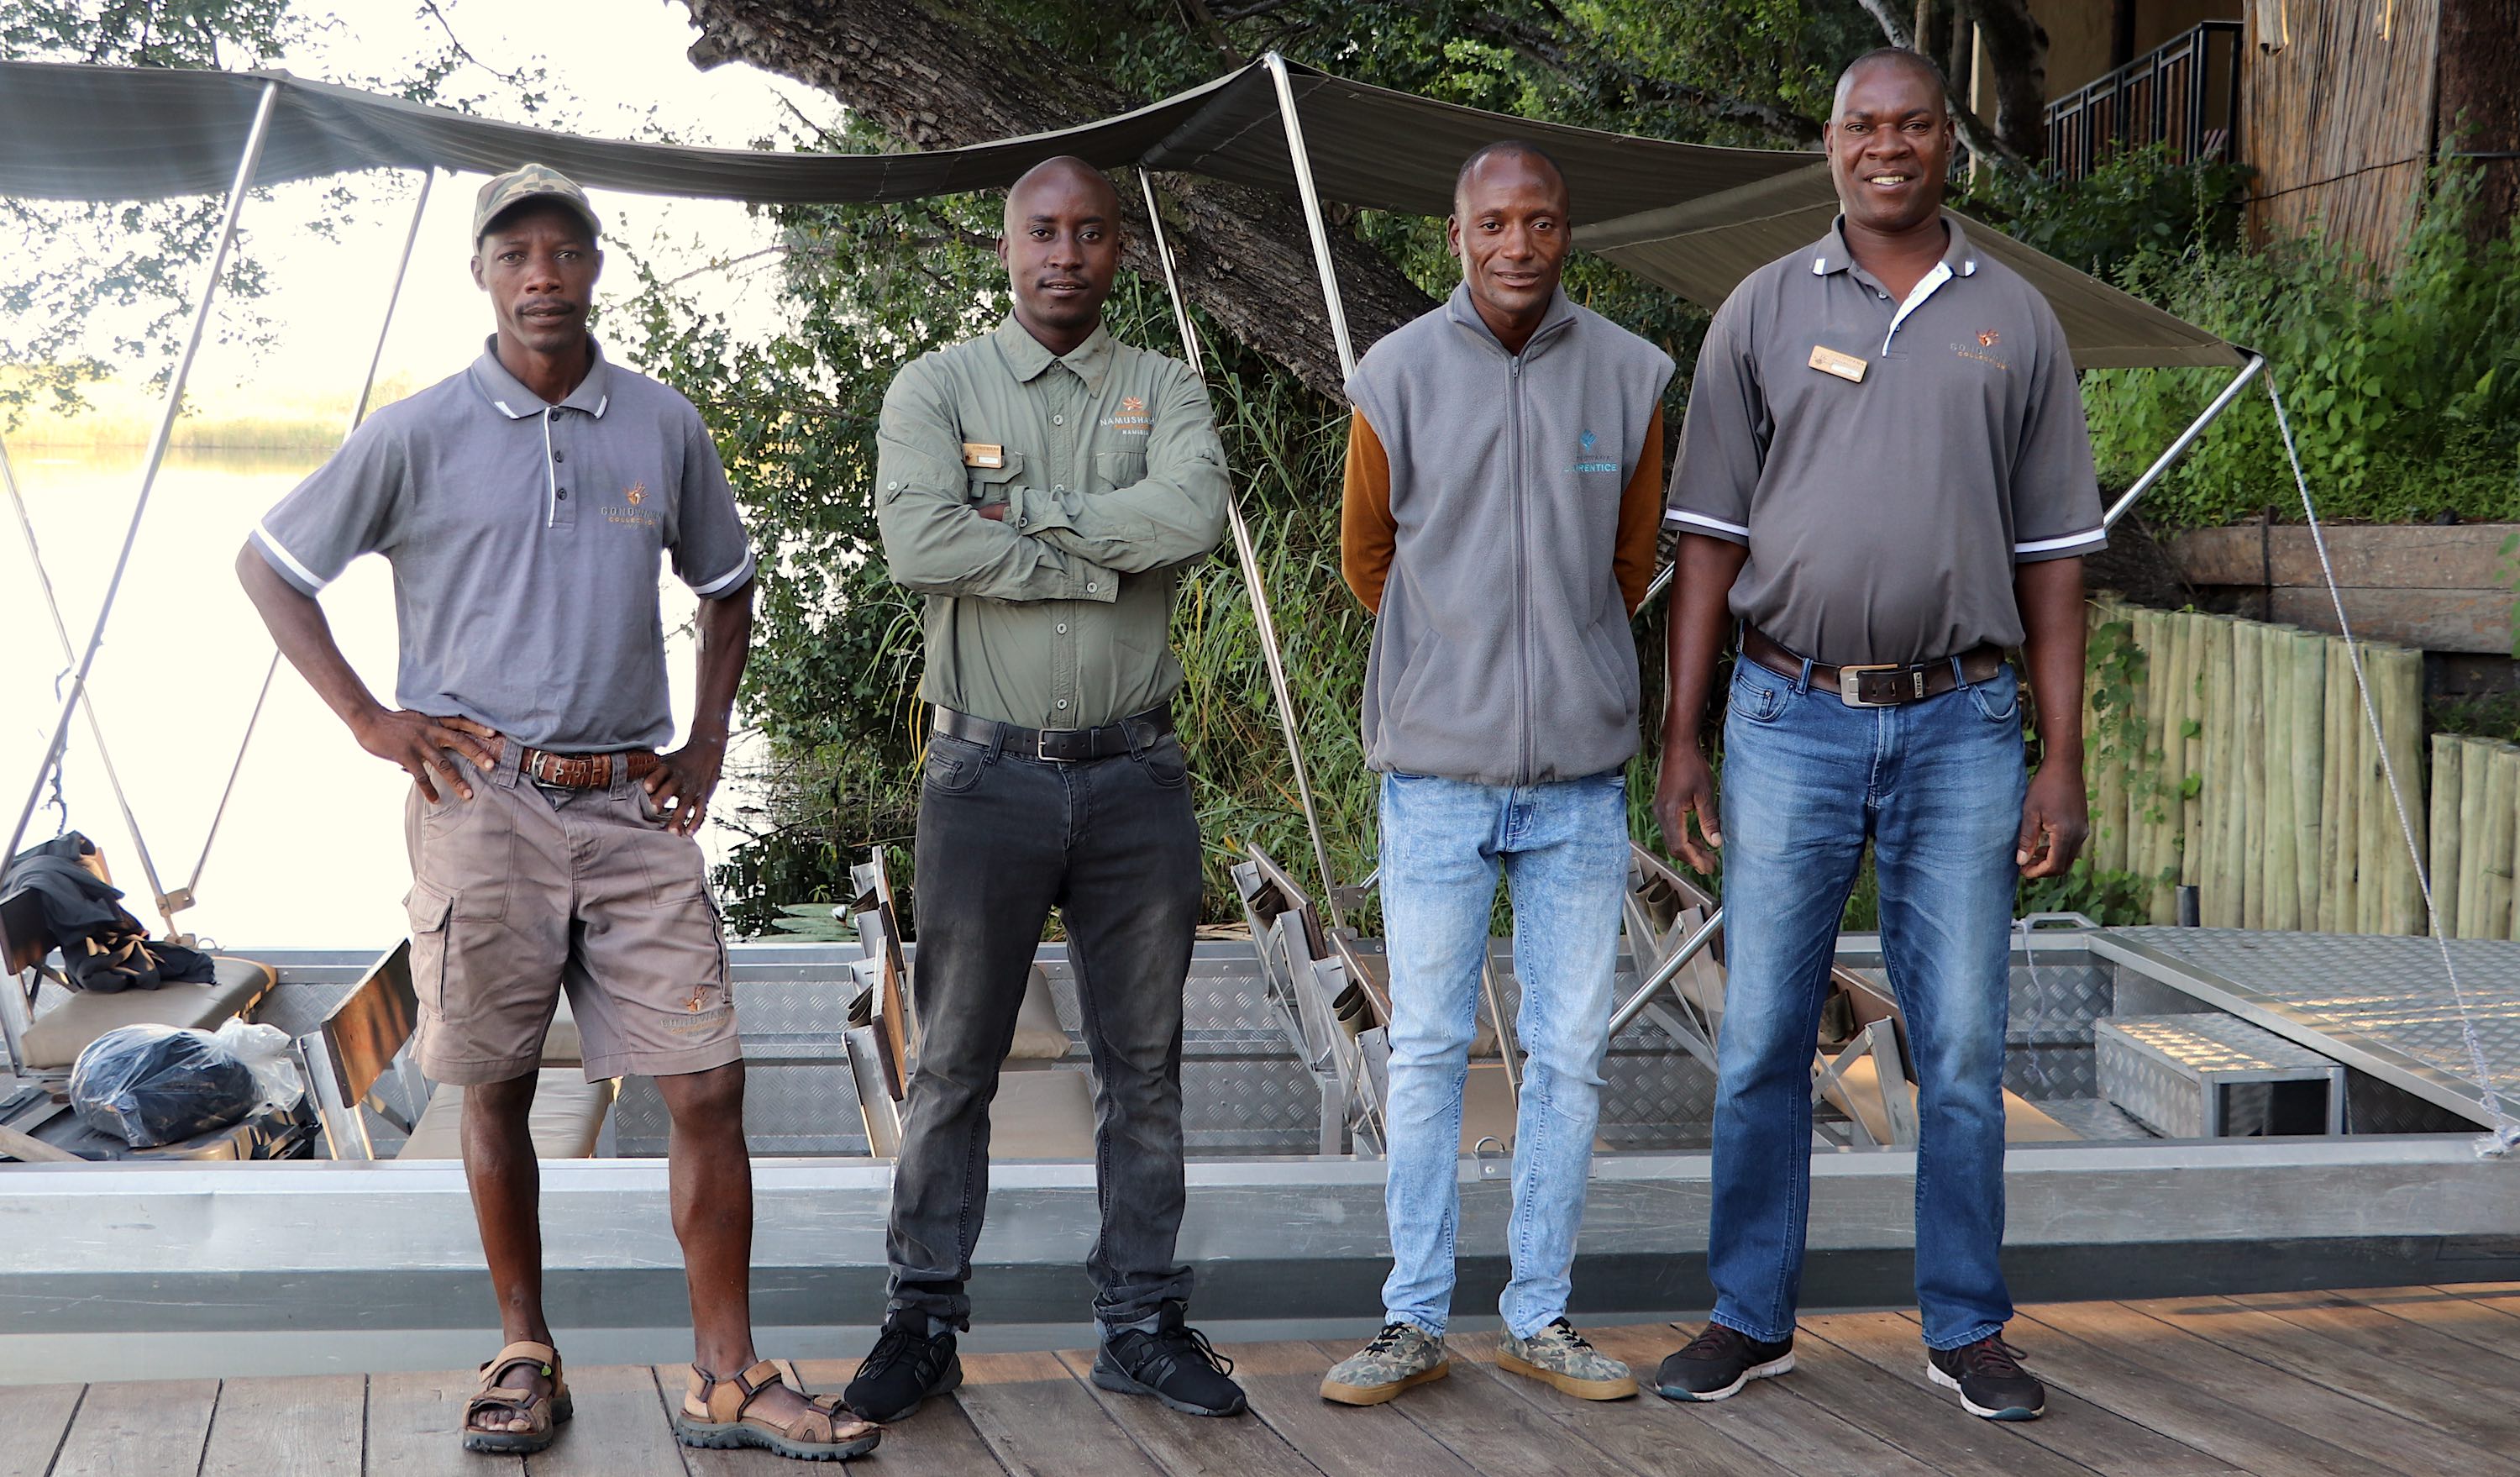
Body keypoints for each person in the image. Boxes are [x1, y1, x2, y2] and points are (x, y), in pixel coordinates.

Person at [237, 165, 878, 1463]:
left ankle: (725, 1376)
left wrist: (705, 741)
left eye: (566, 251)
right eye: (517, 253)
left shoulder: (658, 424)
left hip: (633, 801)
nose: (543, 276)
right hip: (482, 802)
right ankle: (525, 1350)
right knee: (494, 1085)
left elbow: (731, 583)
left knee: (709, 1079)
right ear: (483, 272)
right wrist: (373, 721)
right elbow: (271, 564)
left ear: (596, 267)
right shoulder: (417, 432)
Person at [1647, 50, 2102, 1422]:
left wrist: (2060, 757)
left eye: (1914, 125)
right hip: (1787, 716)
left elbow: (2058, 566)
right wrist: (1685, 736)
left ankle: (1967, 1327)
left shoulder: (2014, 319)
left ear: (1945, 146)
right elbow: (1707, 544)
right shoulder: (1761, 309)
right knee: (1765, 1033)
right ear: (1829, 143)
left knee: (1961, 1041)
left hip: (1963, 721)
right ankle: (1750, 1314)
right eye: (1864, 126)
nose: (1888, 146)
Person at [843, 156, 1242, 1422]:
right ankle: (922, 1320)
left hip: (1137, 775)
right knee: (954, 1061)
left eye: (1089, 233)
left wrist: (1023, 513)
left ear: (1119, 249)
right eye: (1041, 233)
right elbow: (921, 540)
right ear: (1005, 245)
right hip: (983, 776)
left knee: (1147, 1068)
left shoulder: (1163, 385)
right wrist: (1093, 555)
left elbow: (1192, 516)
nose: (1064, 253)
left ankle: (1141, 1320)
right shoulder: (936, 385)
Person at [1316, 142, 1672, 1408]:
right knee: (1425, 1049)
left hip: (1580, 780)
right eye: (1494, 223)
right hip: (1437, 774)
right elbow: (1372, 556)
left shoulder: (1630, 378)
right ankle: (1411, 1317)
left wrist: (1568, 664)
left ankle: (1540, 1315)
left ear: (1566, 233)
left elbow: (1630, 563)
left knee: (1570, 1052)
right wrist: (1451, 663)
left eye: (1542, 222)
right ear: (1454, 233)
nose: (1519, 244)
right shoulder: (1395, 374)